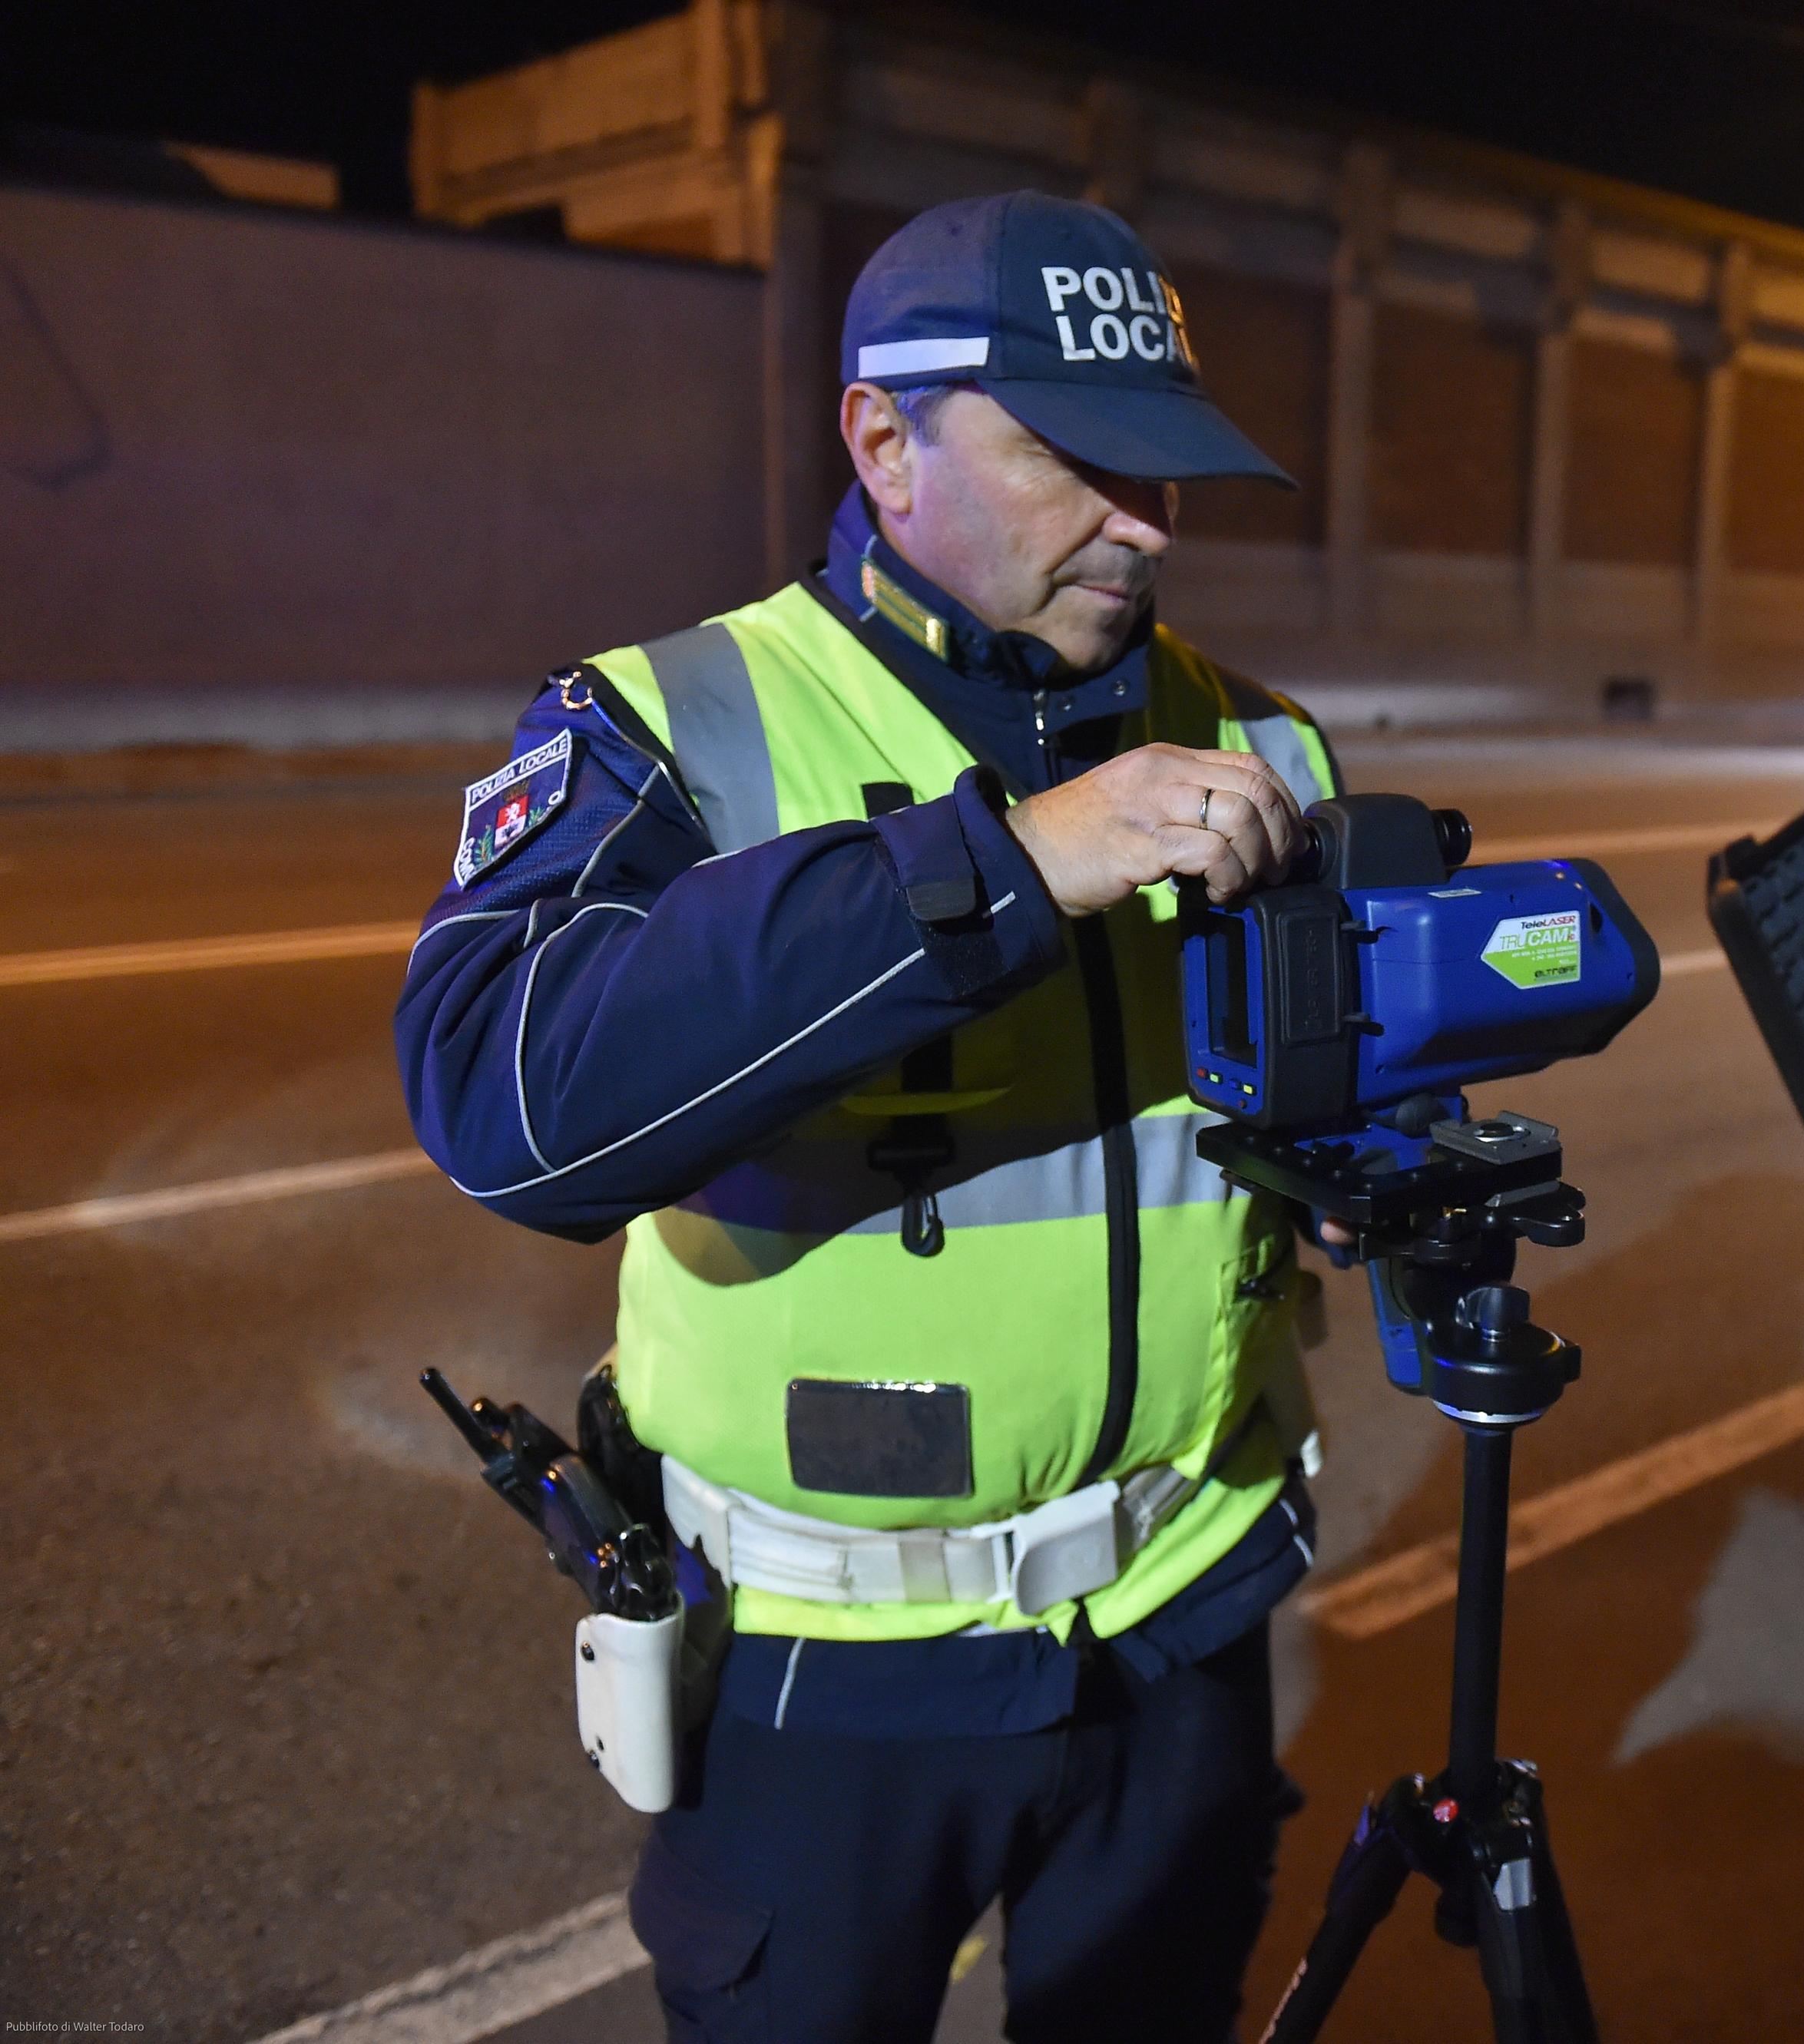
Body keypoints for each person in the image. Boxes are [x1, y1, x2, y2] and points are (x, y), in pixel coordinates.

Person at [396, 190, 1345, 2042]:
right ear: (881, 440)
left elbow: (1282, 1130)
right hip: (825, 1674)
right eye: (1077, 462)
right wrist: (994, 866)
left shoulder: (1267, 743)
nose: (1146, 525)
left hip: (1177, 1626)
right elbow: (507, 1108)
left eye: (1167, 469)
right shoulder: (672, 721)